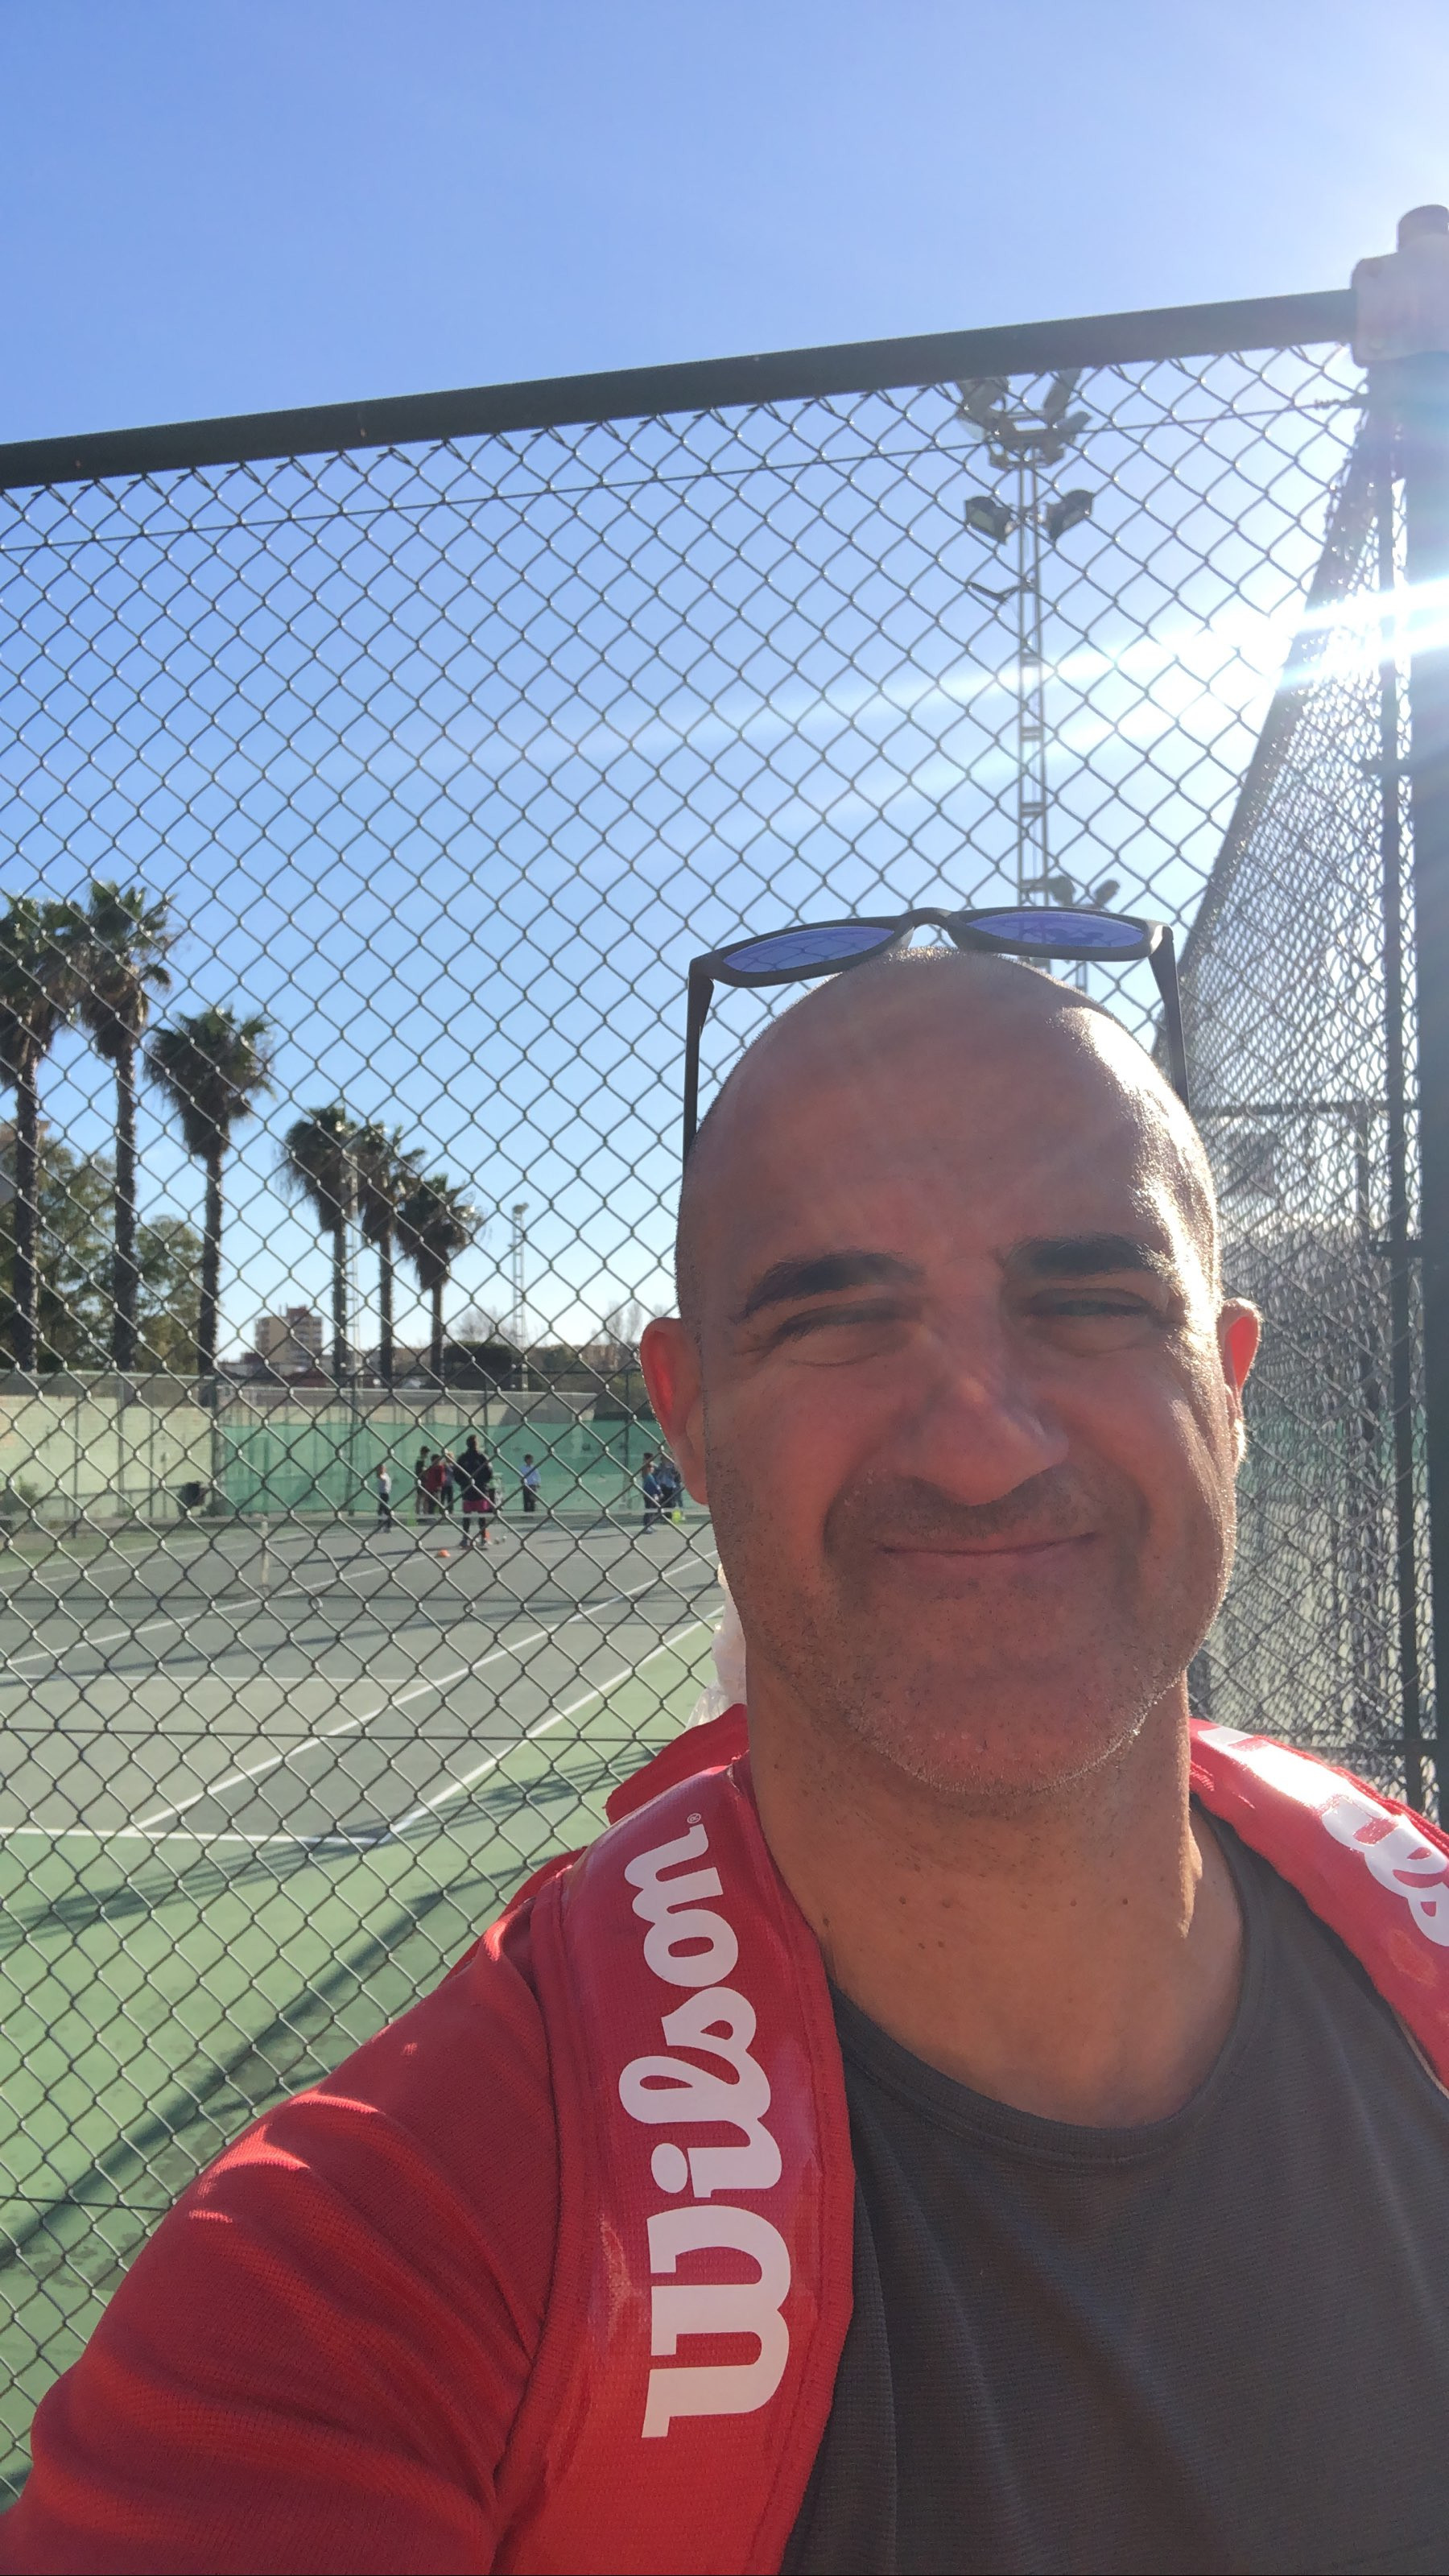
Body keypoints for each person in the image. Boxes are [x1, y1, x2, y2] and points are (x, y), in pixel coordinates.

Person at [10, 948, 1449, 2576]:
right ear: (687, 1416)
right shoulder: (366, 2266)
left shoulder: (1423, 1961)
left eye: (1095, 1302)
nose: (983, 1440)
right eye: (837, 1319)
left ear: (1231, 1386)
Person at [456, 1435, 495, 1549]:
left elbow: (489, 1473)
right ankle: (473, 1537)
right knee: (475, 1515)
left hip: (476, 1490)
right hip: (474, 1490)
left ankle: (473, 1537)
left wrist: (466, 1484)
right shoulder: (467, 1458)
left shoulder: (479, 1457)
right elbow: (457, 1473)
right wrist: (466, 1483)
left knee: (472, 1515)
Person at [639, 1449, 663, 1532]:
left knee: (652, 1510)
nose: (652, 1468)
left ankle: (650, 1524)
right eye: (651, 1467)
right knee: (649, 1510)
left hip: (652, 1494)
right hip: (648, 1494)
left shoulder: (651, 1476)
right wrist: (659, 1493)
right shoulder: (648, 1477)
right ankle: (646, 1526)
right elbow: (654, 1486)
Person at [413, 1443, 431, 1523]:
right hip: (422, 1481)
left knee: (422, 1498)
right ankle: (421, 1514)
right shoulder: (420, 1461)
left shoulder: (423, 1461)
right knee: (421, 1498)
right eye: (426, 1452)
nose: (427, 1454)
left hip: (423, 1481)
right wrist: (425, 1471)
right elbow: (421, 1471)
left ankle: (422, 1514)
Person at [519, 1452, 542, 1516]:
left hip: (533, 1485)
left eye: (532, 1459)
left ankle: (533, 1513)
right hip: (526, 1485)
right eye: (530, 1459)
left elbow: (537, 1476)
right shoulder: (522, 1468)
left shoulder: (534, 1468)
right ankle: (526, 1513)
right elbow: (521, 1475)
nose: (531, 1460)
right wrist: (521, 1481)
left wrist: (538, 1483)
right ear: (526, 1460)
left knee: (532, 1500)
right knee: (526, 1499)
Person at [374, 1462, 394, 1532]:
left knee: (383, 1511)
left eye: (381, 1468)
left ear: (385, 1469)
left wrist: (377, 1472)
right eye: (379, 1469)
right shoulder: (384, 1475)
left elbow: (381, 1477)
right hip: (382, 1495)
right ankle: (385, 1525)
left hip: (385, 1495)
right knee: (383, 1511)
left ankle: (385, 1525)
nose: (380, 1470)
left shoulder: (385, 1476)